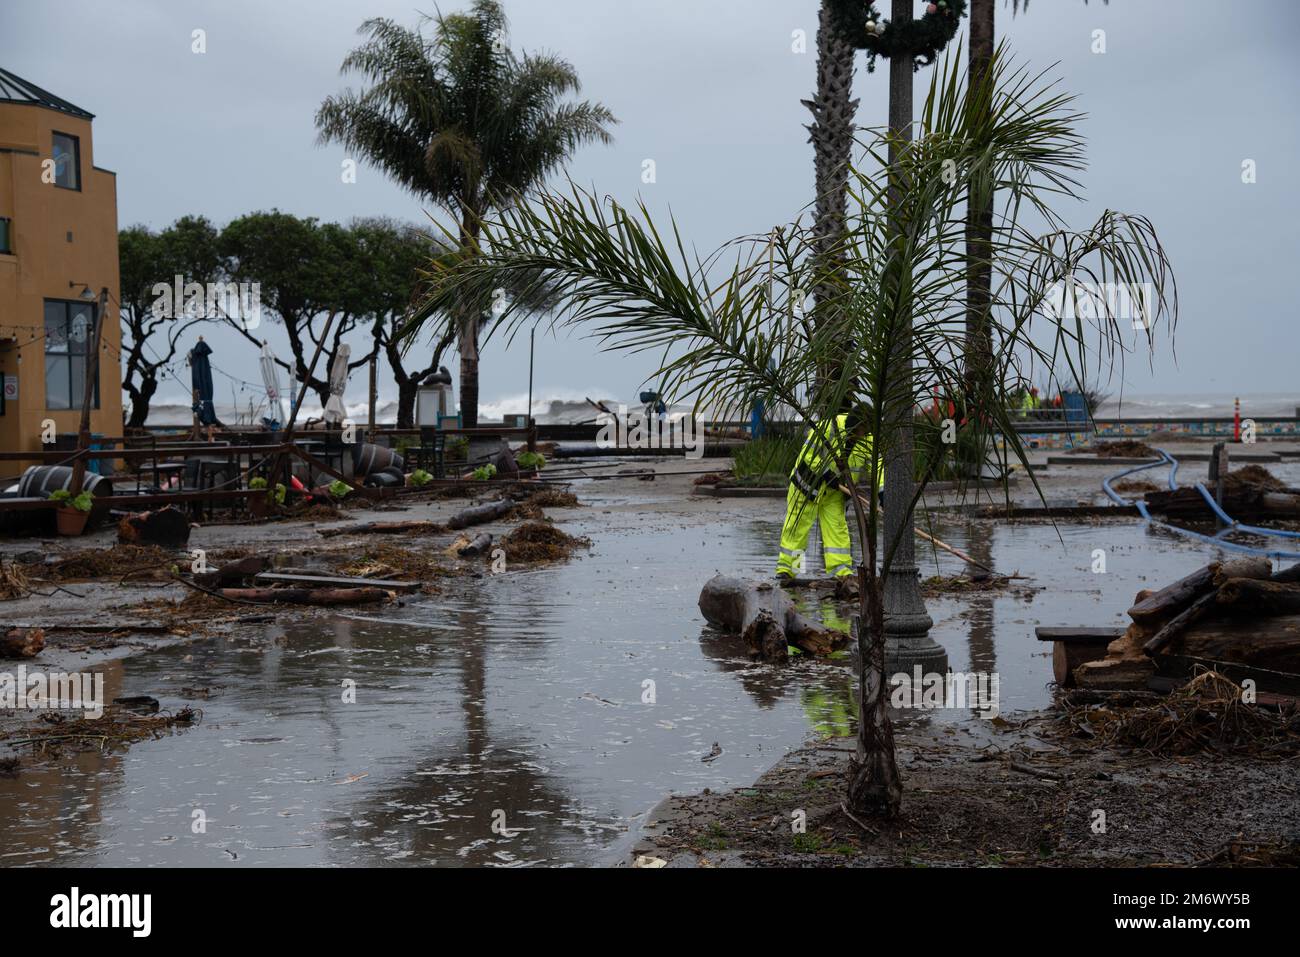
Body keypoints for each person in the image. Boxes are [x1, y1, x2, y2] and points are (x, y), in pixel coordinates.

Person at [775, 409, 882, 585]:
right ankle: (790, 572)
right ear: (854, 425)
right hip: (807, 487)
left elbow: (878, 466)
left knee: (837, 530)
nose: (863, 435)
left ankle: (840, 572)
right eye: (862, 430)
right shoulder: (829, 427)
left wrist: (883, 492)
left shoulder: (868, 439)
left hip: (835, 493)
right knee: (797, 531)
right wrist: (826, 474)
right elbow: (807, 454)